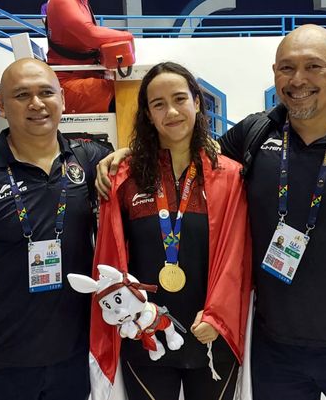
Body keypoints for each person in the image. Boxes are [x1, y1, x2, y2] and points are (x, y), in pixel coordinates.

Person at [96, 25, 326, 400]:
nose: (299, 79)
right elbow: (188, 151)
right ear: (275, 74)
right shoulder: (256, 135)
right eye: (287, 68)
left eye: (314, 66)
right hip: (276, 351)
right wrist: (126, 155)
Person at [0, 58, 111, 400]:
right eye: (21, 95)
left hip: (73, 355)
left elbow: (140, 159)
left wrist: (123, 154)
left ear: (62, 98)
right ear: (1, 105)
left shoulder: (88, 160)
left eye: (46, 92)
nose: (36, 104)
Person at [90, 62, 252, 400]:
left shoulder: (229, 175)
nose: (172, 111)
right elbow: (113, 256)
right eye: (158, 104)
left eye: (180, 99)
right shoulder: (124, 177)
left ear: (196, 101)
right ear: (147, 114)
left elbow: (237, 256)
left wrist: (218, 316)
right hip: (144, 333)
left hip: (210, 331)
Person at [46, 0, 134, 114]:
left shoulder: (80, 0)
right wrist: (128, 36)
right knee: (133, 96)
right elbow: (91, 35)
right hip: (68, 87)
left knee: (139, 91)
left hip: (84, 80)